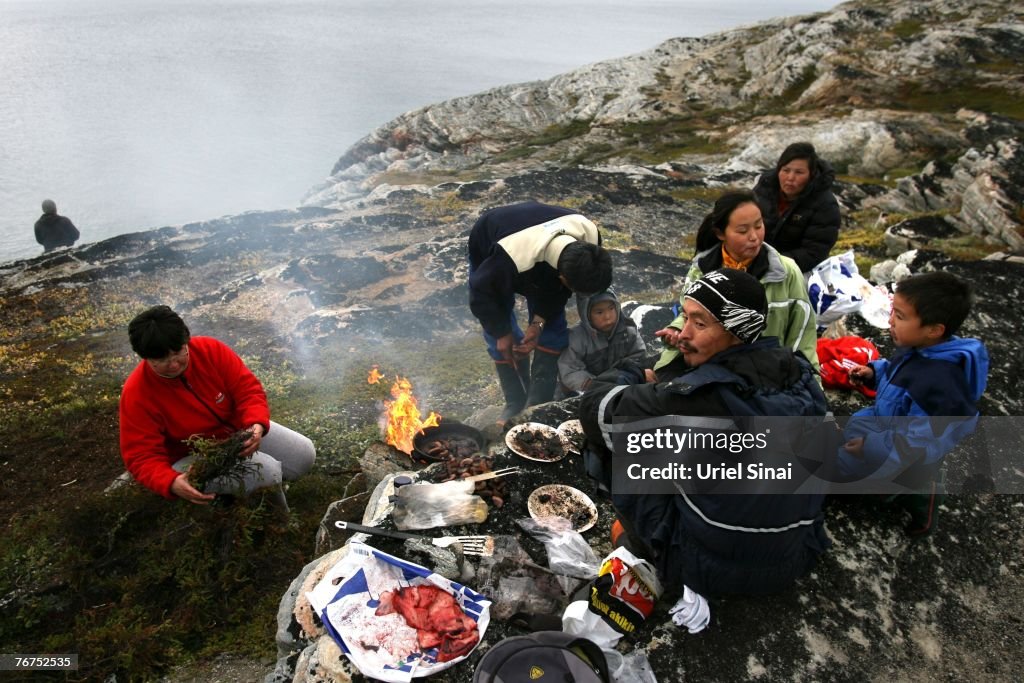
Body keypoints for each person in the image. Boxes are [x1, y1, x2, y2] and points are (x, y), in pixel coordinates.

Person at [580, 268, 831, 596]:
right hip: (792, 557)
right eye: (684, 318)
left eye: (699, 323)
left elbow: (596, 409)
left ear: (738, 330)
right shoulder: (800, 375)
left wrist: (632, 370)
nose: (683, 334)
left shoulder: (699, 397)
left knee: (611, 442)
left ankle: (641, 543)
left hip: (707, 571)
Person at [118, 305, 316, 509]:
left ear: (186, 340)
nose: (174, 364)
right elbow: (140, 456)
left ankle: (238, 493)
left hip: (238, 434)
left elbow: (248, 390)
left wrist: (256, 424)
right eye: (161, 360)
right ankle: (277, 524)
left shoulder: (210, 351)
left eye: (178, 352)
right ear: (145, 357)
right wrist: (170, 481)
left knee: (303, 455)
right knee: (267, 472)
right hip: (189, 458)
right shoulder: (137, 393)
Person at [837, 272, 989, 536]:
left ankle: (925, 502)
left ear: (934, 329)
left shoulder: (939, 385)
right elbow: (898, 372)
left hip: (914, 449)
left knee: (907, 479)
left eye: (900, 316)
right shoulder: (920, 347)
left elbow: (912, 441)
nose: (890, 320)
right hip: (888, 420)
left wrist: (871, 447)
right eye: (893, 311)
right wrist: (874, 372)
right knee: (855, 432)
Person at [468, 201, 613, 424]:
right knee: (504, 335)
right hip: (497, 240)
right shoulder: (507, 259)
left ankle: (538, 402)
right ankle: (515, 400)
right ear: (563, 278)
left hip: (544, 237)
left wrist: (538, 324)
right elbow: (481, 294)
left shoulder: (590, 238)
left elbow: (558, 292)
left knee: (552, 331)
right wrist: (500, 333)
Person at [653, 191, 818, 380]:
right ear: (720, 233)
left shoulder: (785, 272)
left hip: (763, 373)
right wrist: (675, 330)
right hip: (708, 370)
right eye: (742, 231)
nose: (754, 237)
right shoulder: (703, 269)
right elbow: (688, 316)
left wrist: (810, 385)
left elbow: (802, 335)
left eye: (758, 225)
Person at [752, 142, 841, 273]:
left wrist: (770, 263)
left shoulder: (825, 204)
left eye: (799, 172)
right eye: (785, 170)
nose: (790, 178)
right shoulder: (766, 187)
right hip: (755, 259)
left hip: (796, 271)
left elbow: (813, 253)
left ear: (811, 174)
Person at [558, 289, 651, 394]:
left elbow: (639, 356)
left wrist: (636, 373)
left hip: (623, 383)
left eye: (611, 309)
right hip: (589, 390)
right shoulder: (576, 338)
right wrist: (594, 384)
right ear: (587, 315)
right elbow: (570, 371)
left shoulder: (628, 331)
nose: (607, 317)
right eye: (599, 312)